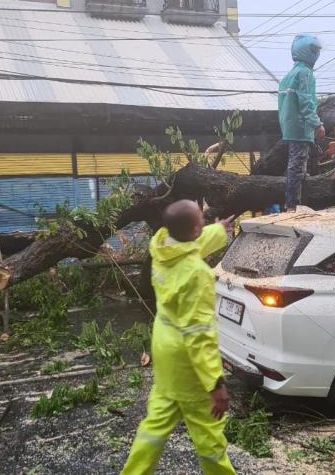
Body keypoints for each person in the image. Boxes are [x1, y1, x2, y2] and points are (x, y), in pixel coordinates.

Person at [121, 200, 236, 475]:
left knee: (155, 424)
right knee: (209, 434)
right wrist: (215, 383)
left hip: (164, 348)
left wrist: (219, 231)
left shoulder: (161, 245)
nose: (205, 224)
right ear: (196, 228)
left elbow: (189, 244)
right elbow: (199, 335)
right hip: (187, 361)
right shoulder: (197, 274)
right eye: (202, 221)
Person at [278, 34, 325, 212]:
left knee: (296, 165)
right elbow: (306, 102)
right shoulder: (305, 73)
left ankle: (295, 201)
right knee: (298, 166)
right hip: (300, 127)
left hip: (290, 127)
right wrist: (316, 124)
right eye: (315, 50)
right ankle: (292, 205)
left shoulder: (289, 75)